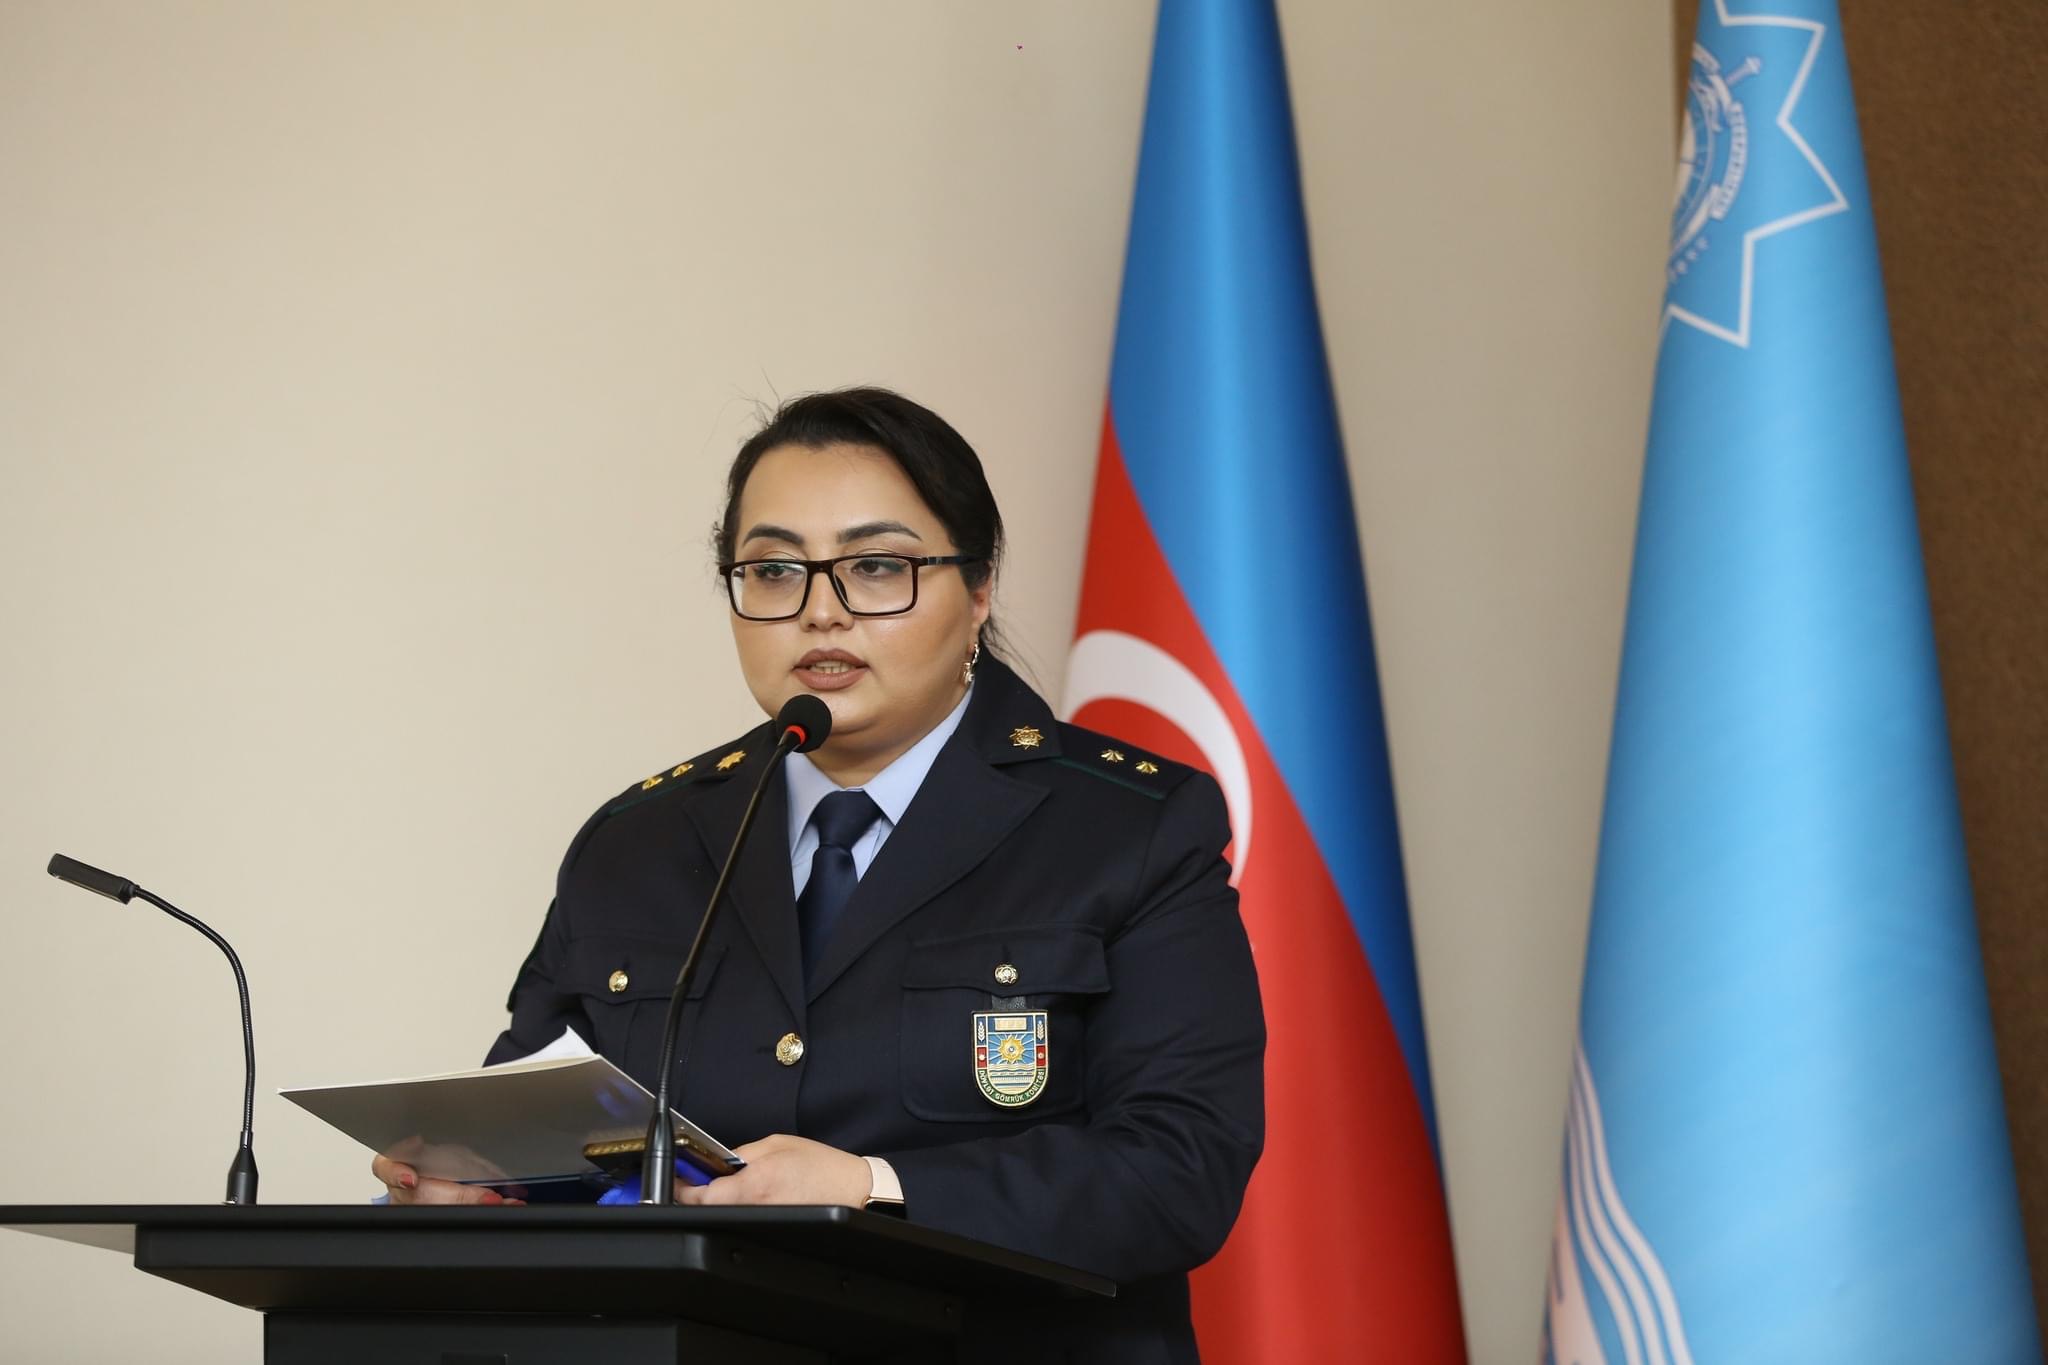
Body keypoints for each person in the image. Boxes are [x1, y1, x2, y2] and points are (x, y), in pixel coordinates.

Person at [372, 388, 1266, 1364]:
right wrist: (480, 1182)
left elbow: (1179, 1172)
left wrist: (868, 1187)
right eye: (773, 570)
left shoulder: (1128, 828)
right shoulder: (635, 844)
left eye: (876, 566)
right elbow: (531, 1125)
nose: (820, 611)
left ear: (978, 588)